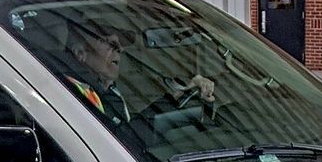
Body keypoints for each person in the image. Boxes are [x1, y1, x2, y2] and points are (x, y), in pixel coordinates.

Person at [61, 24, 216, 127]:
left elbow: (130, 131)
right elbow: (119, 138)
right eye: (109, 44)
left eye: (119, 45)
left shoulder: (106, 90)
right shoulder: (71, 94)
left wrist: (181, 94)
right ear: (80, 53)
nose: (120, 49)